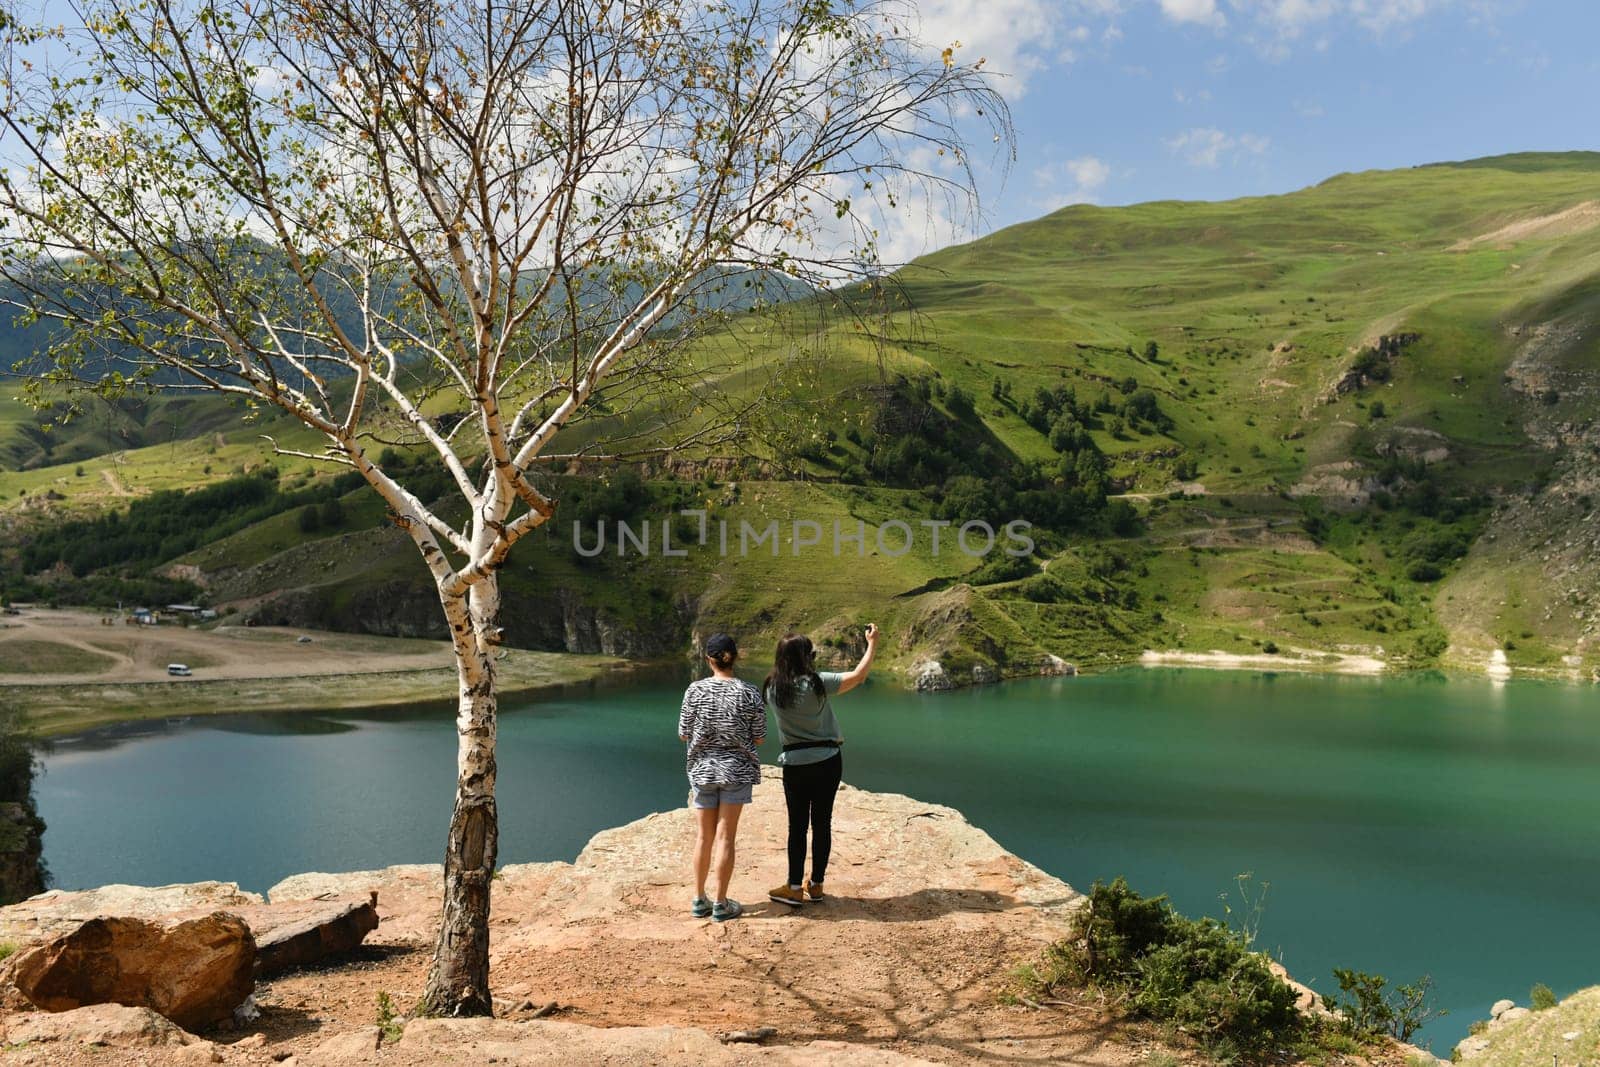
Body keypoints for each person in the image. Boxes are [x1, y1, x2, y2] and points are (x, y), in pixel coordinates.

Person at [763, 623, 878, 907]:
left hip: (794, 764)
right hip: (827, 761)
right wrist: (872, 643)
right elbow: (859, 676)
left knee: (797, 826)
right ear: (806, 657)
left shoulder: (771, 688)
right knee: (822, 823)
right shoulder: (816, 682)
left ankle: (792, 887)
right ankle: (816, 885)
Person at [678, 632, 765, 922]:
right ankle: (721, 903)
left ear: (708, 660)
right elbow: (760, 738)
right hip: (736, 771)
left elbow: (683, 733)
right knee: (726, 838)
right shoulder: (750, 692)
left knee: (704, 837)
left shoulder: (694, 690)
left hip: (702, 771)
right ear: (735, 657)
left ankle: (699, 899)